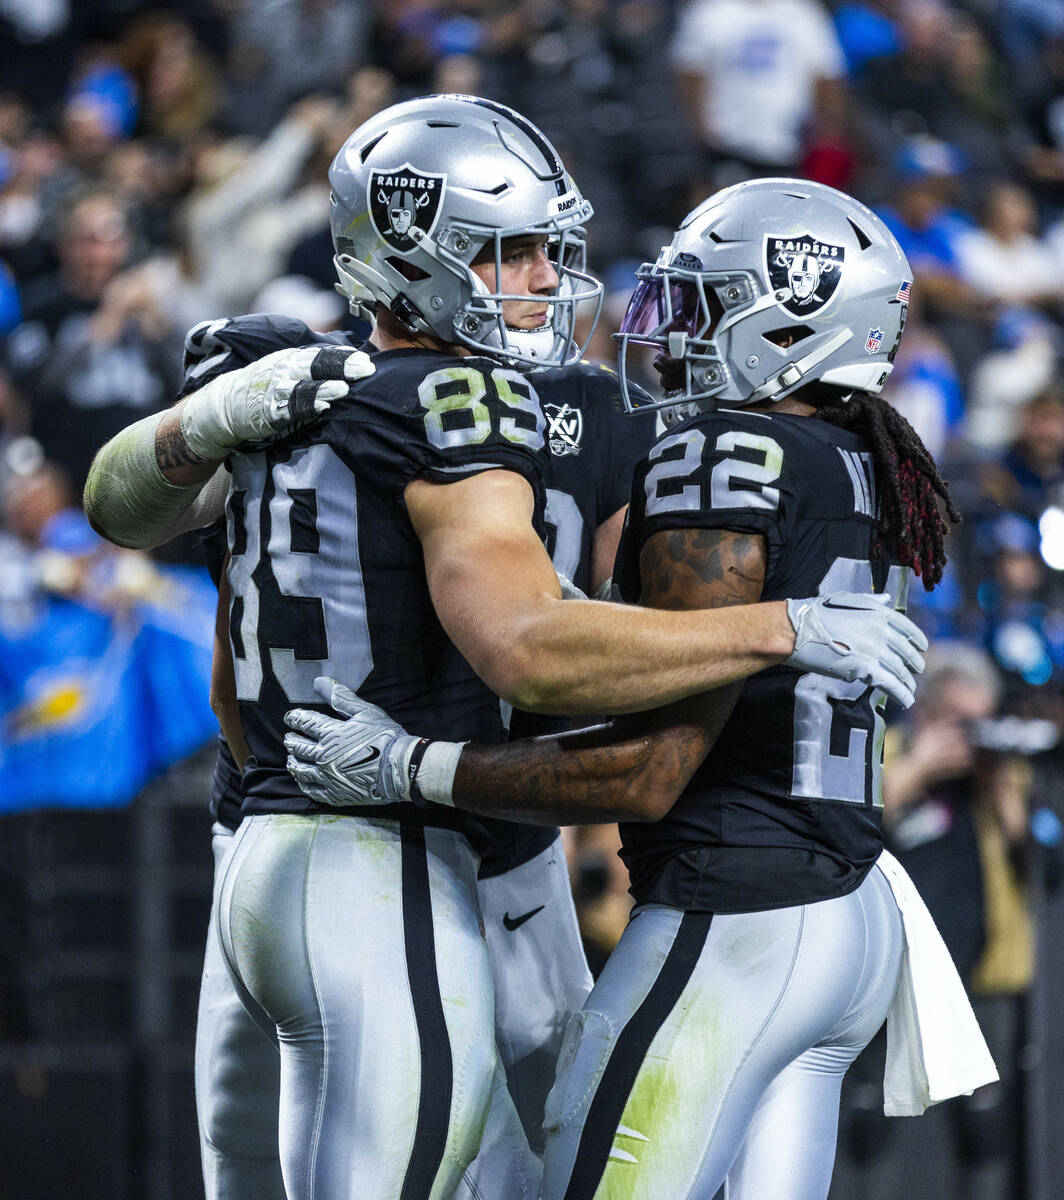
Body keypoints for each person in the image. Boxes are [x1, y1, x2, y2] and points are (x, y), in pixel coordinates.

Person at [84, 99, 924, 1199]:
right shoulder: (421, 398)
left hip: (376, 838)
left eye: (544, 247)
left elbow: (121, 502)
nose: (544, 277)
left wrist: (207, 417)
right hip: (393, 836)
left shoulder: (309, 380)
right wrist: (786, 630)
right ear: (413, 255)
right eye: (508, 251)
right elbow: (541, 645)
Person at [278, 178, 993, 1200]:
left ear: (783, 321)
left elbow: (646, 770)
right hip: (847, 913)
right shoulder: (859, 458)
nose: (663, 335)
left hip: (736, 914)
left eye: (699, 306)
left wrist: (416, 766)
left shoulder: (718, 452)